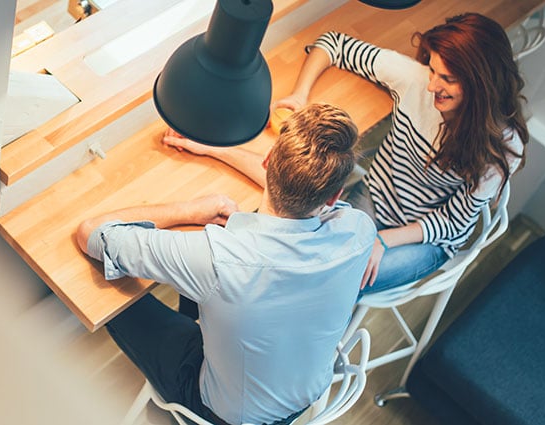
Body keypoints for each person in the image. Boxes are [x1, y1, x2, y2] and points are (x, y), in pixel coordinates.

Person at [169, 13, 529, 293]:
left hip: (422, 238)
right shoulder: (416, 80)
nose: (433, 85)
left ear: (480, 83)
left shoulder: (503, 147)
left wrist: (379, 240)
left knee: (331, 278)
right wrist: (299, 94)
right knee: (294, 203)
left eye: (447, 79)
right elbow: (334, 44)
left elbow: (452, 223)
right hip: (372, 200)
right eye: (433, 70)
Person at [75, 104, 375, 425]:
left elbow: (92, 234)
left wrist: (190, 211)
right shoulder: (358, 228)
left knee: (110, 291)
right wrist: (211, 148)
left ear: (268, 160)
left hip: (225, 416)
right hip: (304, 393)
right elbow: (300, 190)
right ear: (334, 196)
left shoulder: (218, 258)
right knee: (205, 286)